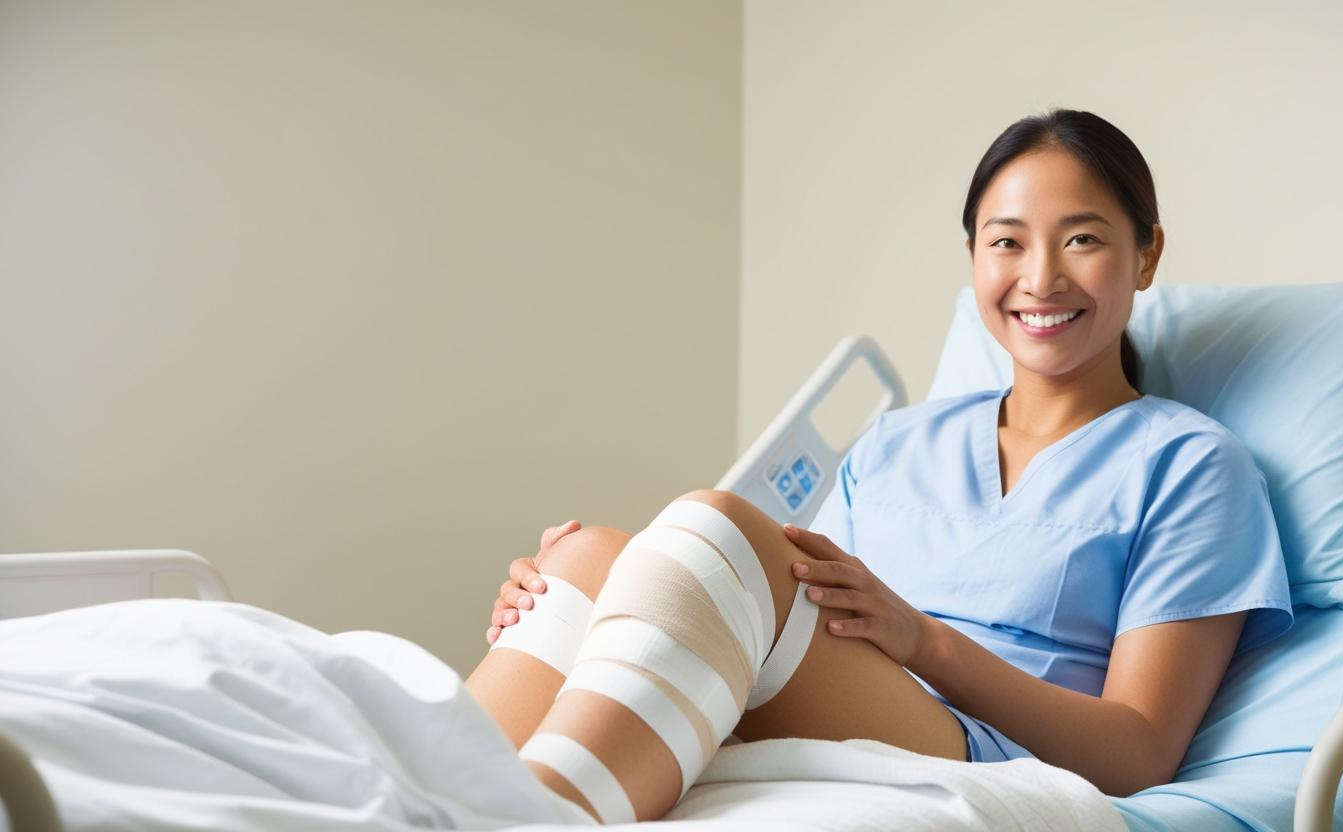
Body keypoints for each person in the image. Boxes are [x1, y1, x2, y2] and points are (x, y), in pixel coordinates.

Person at [463, 108, 1294, 822]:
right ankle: (431, 796)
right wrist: (610, 588)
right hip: (823, 697)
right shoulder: (899, 443)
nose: (1041, 277)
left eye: (1081, 239)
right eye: (1007, 243)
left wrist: (925, 644)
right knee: (590, 555)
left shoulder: (1192, 467)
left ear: (1146, 256)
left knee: (717, 527)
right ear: (976, 259)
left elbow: (1139, 751)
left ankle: (539, 814)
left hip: (977, 750)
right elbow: (779, 601)